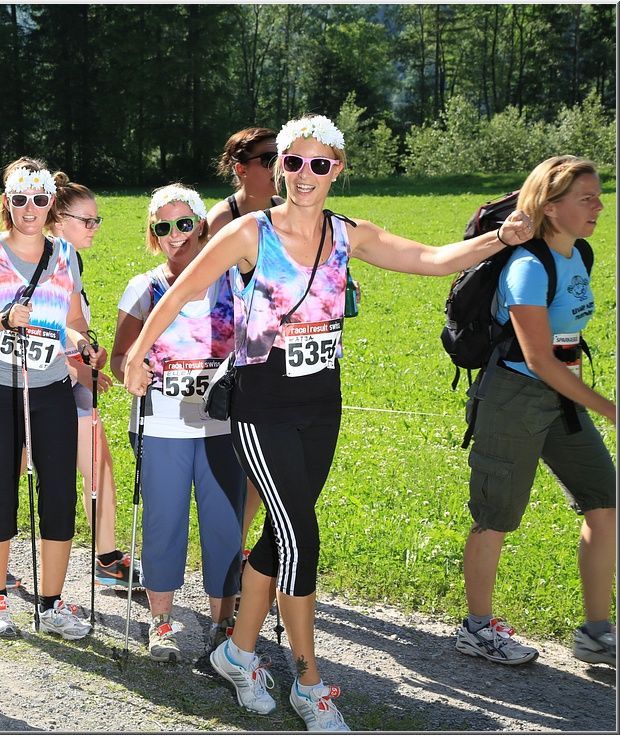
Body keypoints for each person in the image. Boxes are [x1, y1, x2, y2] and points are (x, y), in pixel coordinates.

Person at [121, 115, 535, 731]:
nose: (305, 174)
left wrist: (501, 237)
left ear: (337, 169)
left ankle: (237, 652)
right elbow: (181, 292)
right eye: (293, 162)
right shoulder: (249, 232)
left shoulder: (348, 234)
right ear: (279, 168)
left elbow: (431, 259)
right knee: (301, 539)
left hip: (322, 405)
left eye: (319, 164)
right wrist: (136, 354)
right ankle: (309, 683)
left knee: (281, 535)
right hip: (262, 405)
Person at [456, 155, 616, 668]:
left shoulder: (579, 253)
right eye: (586, 198)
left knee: (605, 501)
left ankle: (597, 634)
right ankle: (476, 629)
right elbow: (539, 359)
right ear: (550, 206)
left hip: (560, 397)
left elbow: (564, 342)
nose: (599, 206)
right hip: (514, 399)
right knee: (495, 518)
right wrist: (609, 409)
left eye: (598, 196)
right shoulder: (527, 267)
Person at [0, 156, 101, 640]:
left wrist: (83, 344)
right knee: (0, 489)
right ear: (7, 202)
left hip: (50, 387)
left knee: (58, 494)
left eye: (39, 199)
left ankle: (52, 603)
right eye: (20, 199)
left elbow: (72, 322)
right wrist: (2, 320)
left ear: (51, 202)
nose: (30, 208)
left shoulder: (65, 255)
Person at [111, 183, 246, 662]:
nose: (175, 234)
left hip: (222, 428)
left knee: (224, 527)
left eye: (184, 223)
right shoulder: (144, 288)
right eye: (163, 226)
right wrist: (132, 369)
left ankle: (222, 626)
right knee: (164, 524)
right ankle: (161, 621)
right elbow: (120, 358)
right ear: (153, 234)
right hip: (162, 426)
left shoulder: (233, 283)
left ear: (202, 226)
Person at [50, 171, 144, 592]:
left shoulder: (70, 257)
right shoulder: (49, 258)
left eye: (96, 220)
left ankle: (107, 558)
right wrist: (75, 368)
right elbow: (39, 325)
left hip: (73, 376)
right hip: (47, 381)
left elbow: (72, 322)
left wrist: (90, 351)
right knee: (16, 468)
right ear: (58, 220)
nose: (94, 227)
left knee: (98, 465)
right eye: (86, 220)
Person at [205, 127, 284, 579]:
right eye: (268, 158)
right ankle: (228, 555)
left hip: (277, 349)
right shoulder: (222, 219)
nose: (278, 166)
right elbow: (204, 290)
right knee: (239, 461)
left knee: (264, 465)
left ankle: (240, 549)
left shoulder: (286, 211)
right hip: (231, 353)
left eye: (280, 156)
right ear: (241, 169)